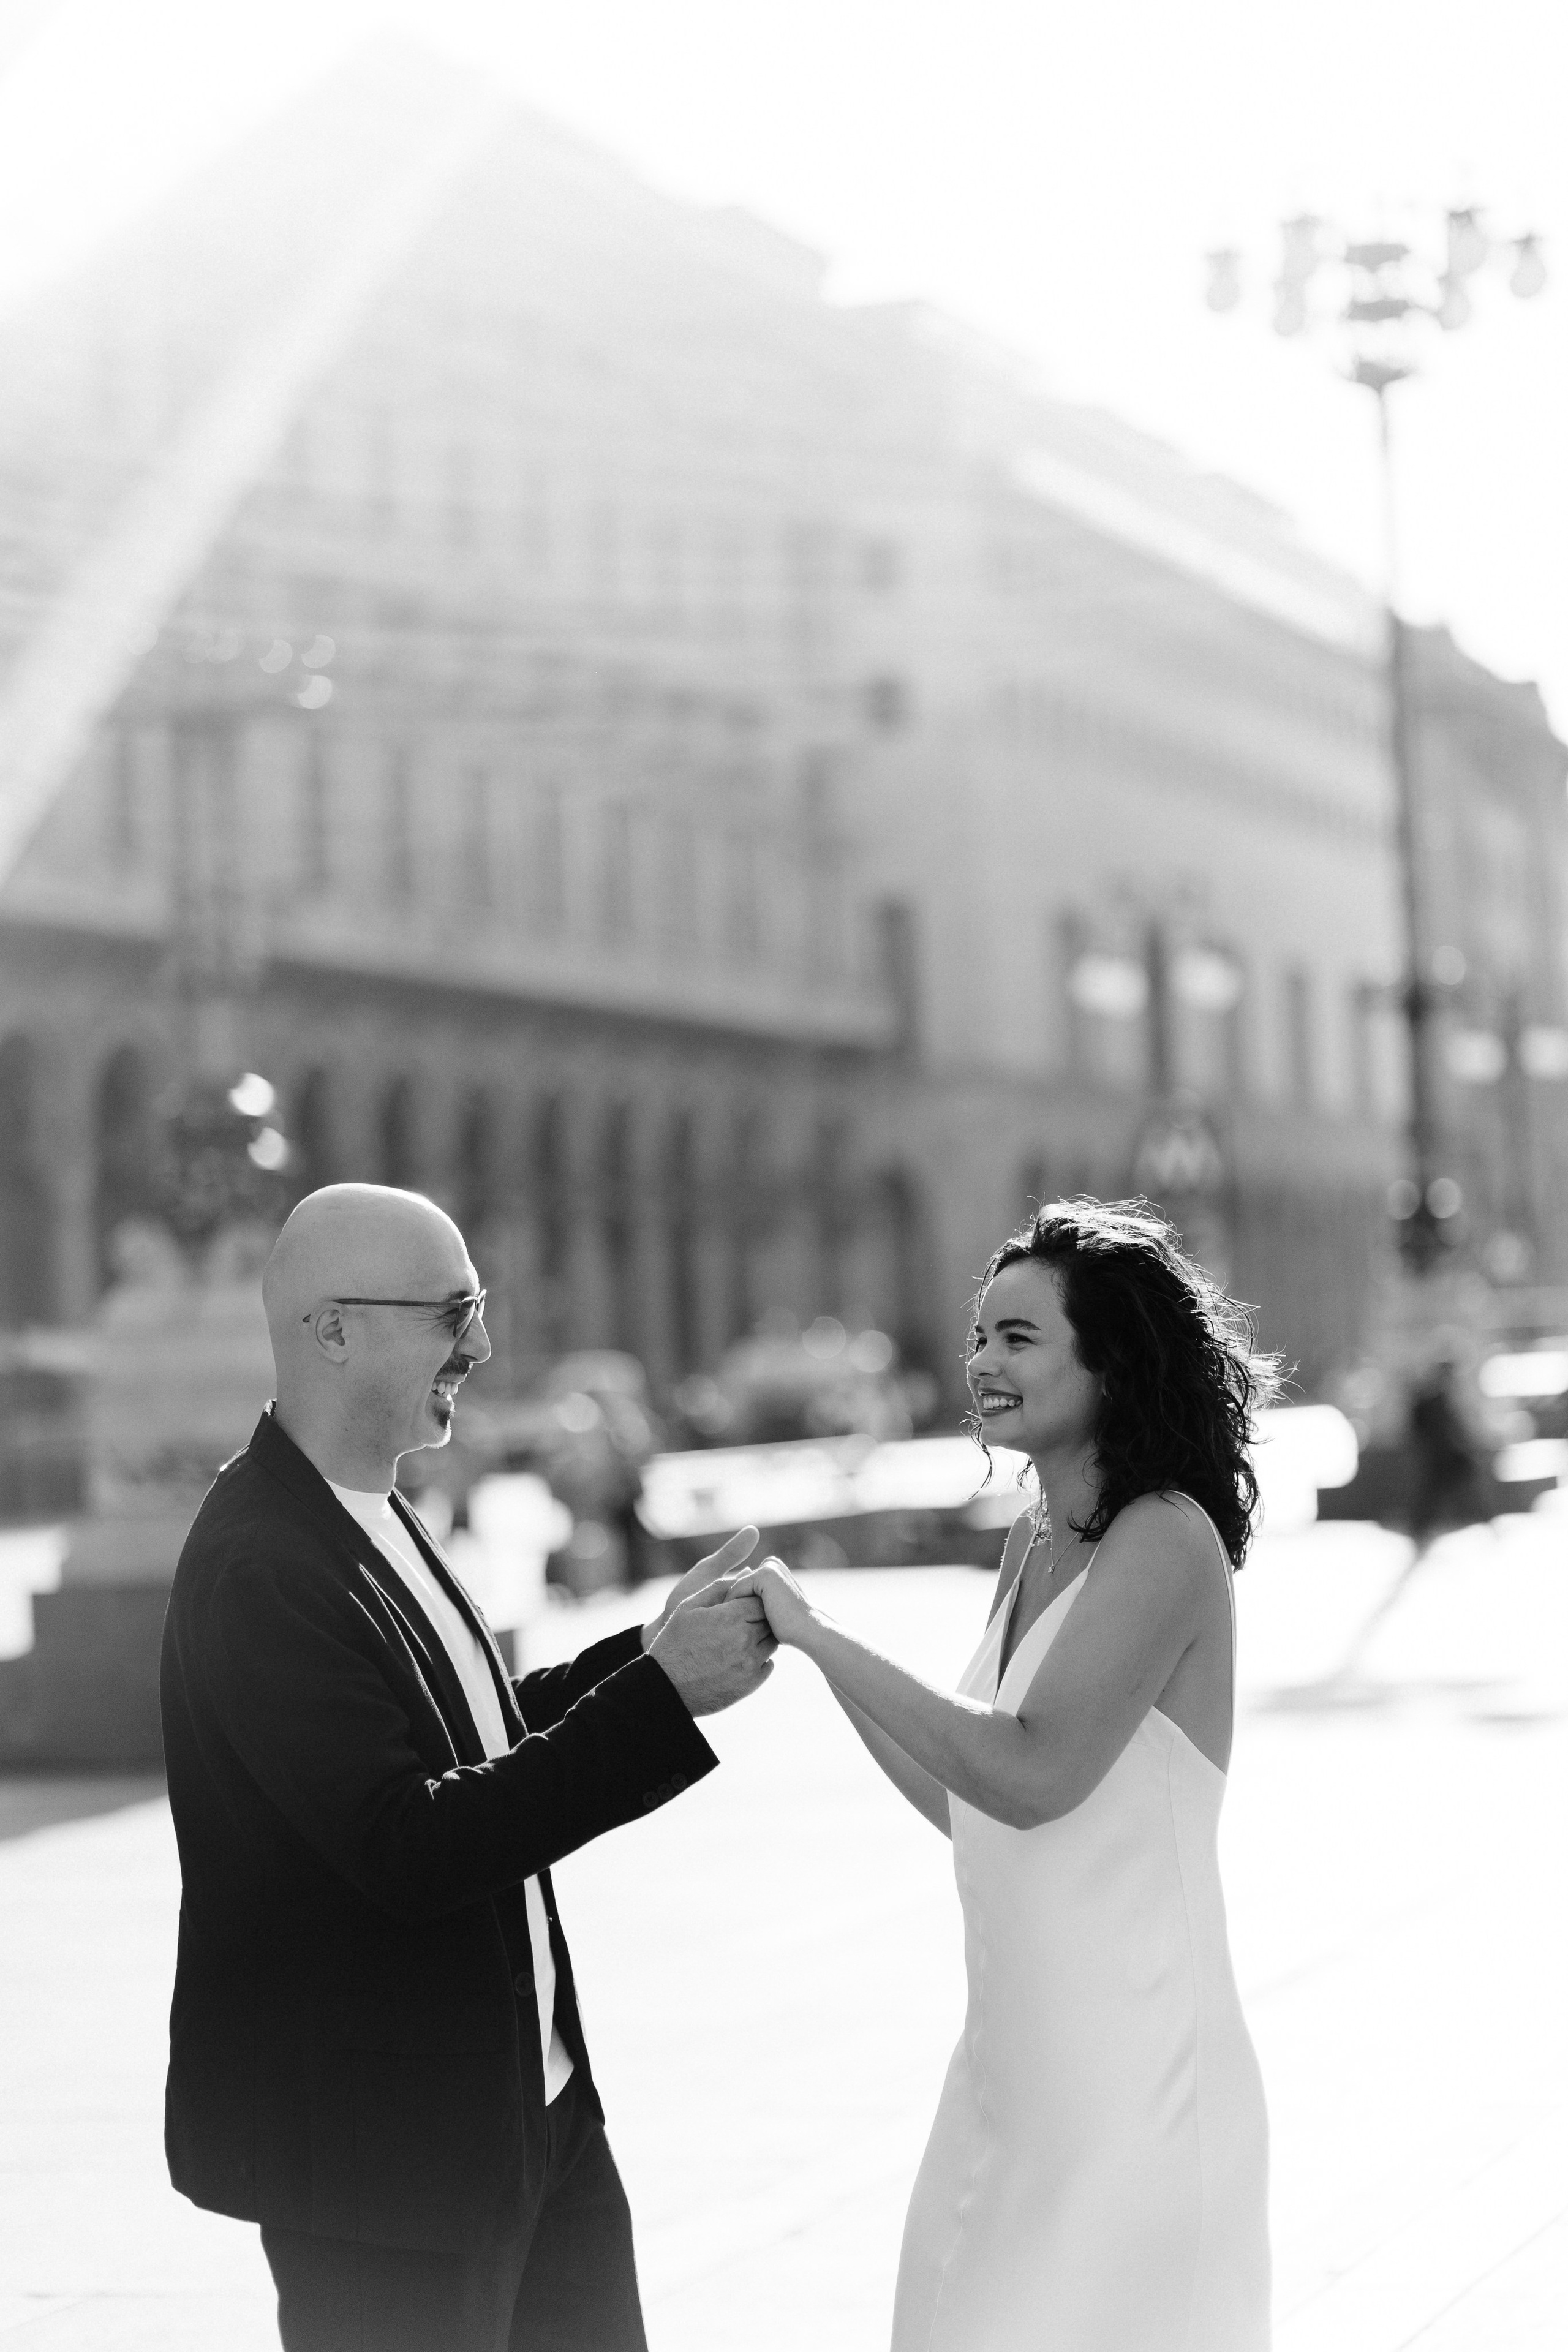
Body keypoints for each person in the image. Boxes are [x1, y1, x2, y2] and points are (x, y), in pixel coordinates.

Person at [160, 1183, 775, 2352]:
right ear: (332, 1329)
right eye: (453, 1311)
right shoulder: (261, 1563)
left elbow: (475, 1732)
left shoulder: (370, 1510)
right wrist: (658, 1702)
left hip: (528, 2115)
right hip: (388, 2164)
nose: (483, 1344)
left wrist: (644, 1657)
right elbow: (408, 1841)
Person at [734, 1198, 1276, 2350]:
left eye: (1019, 1337)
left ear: (1112, 1361)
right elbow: (969, 1799)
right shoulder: (1033, 1538)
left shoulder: (1165, 1537)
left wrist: (827, 1633)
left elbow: (1034, 1776)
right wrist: (812, 1655)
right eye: (979, 1335)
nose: (981, 1361)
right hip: (1006, 2085)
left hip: (1137, 2096)